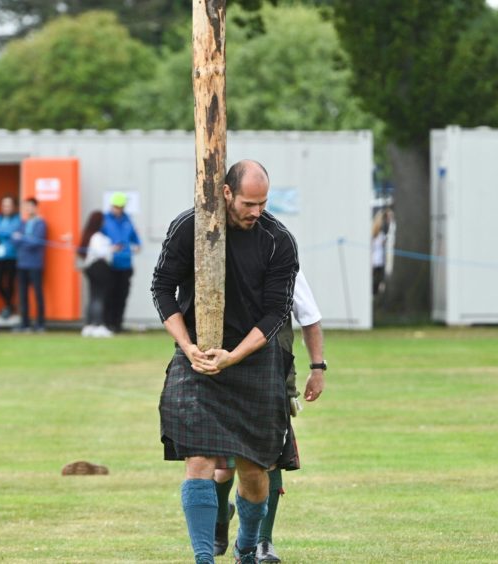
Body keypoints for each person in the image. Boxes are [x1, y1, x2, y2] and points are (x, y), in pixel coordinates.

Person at [151, 160, 299, 564]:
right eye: (249, 203)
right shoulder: (190, 227)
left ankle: (246, 548)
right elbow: (162, 288)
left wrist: (233, 355)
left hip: (252, 356)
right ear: (227, 193)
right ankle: (203, 558)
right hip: (198, 355)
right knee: (197, 457)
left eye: (263, 203)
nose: (257, 212)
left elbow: (276, 312)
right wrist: (187, 345)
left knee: (254, 468)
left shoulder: (277, 240)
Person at [213, 270, 326, 563]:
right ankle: (220, 514)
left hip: (274, 372)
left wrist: (318, 368)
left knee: (270, 455)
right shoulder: (214, 255)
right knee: (223, 462)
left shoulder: (281, 257)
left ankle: (263, 542)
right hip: (222, 371)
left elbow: (309, 317)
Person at [101, 192, 140, 334]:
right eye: (115, 206)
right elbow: (98, 239)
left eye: (120, 207)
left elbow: (135, 238)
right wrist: (109, 248)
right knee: (109, 295)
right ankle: (107, 324)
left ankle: (117, 324)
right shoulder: (104, 220)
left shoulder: (128, 220)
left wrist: (137, 245)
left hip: (126, 264)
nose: (117, 209)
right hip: (110, 264)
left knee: (122, 295)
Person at [12, 197, 47, 333]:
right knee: (23, 295)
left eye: (31, 206)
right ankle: (24, 323)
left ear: (36, 208)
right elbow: (14, 240)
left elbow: (36, 243)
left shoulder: (41, 223)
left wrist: (22, 240)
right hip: (22, 263)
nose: (28, 209)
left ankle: (40, 323)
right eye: (26, 206)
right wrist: (23, 240)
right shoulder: (22, 223)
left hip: (35, 264)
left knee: (38, 293)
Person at [78, 210, 114, 338]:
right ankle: (98, 325)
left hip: (91, 268)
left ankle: (89, 325)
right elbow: (101, 253)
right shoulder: (97, 237)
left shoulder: (88, 235)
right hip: (99, 267)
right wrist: (112, 249)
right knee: (99, 297)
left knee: (93, 296)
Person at [0, 196, 22, 319]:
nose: (6, 208)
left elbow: (12, 232)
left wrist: (0, 232)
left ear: (14, 206)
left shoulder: (18, 219)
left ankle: (9, 307)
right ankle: (9, 305)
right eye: (4, 205)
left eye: (9, 205)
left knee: (10, 283)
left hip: (12, 256)